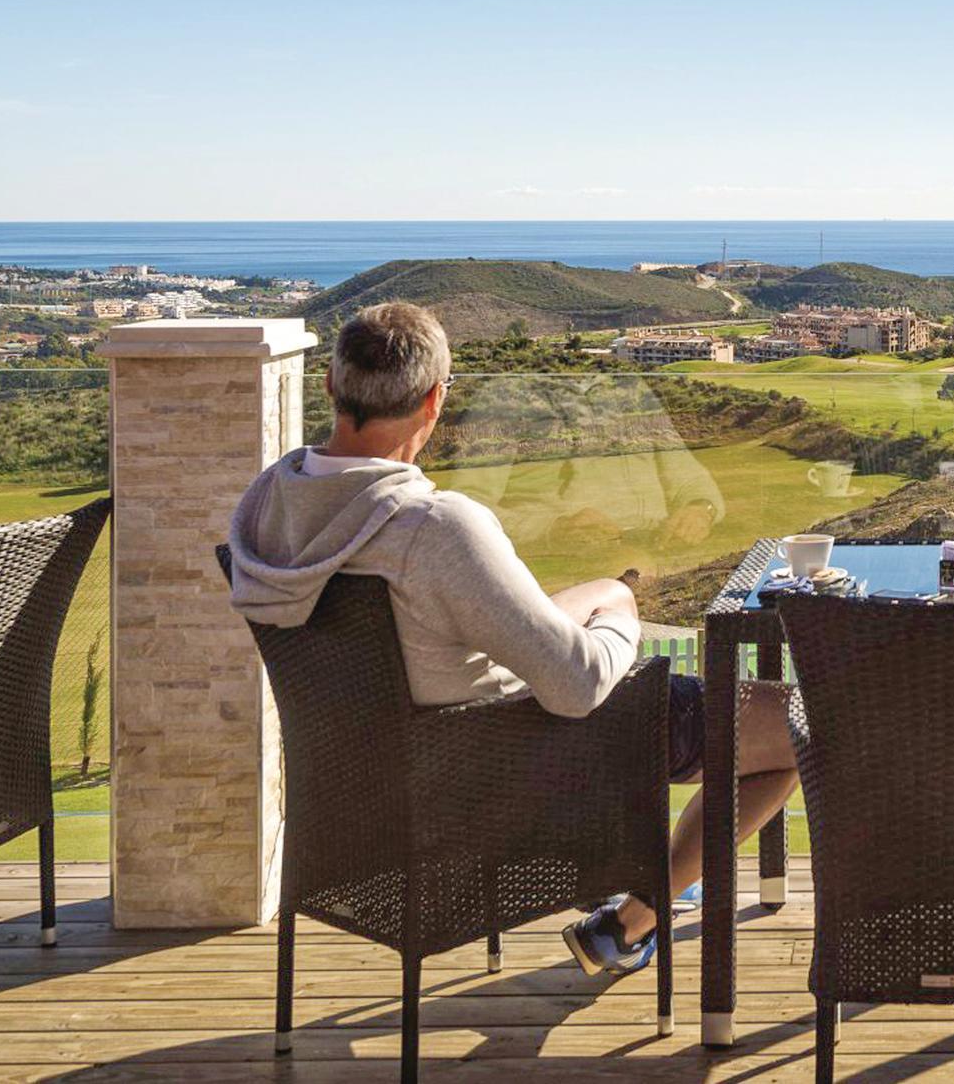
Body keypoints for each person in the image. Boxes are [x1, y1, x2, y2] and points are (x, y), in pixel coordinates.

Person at [226, 301, 797, 977]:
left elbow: (439, 628)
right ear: (435, 400)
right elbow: (578, 687)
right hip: (515, 763)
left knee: (592, 609)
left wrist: (586, 600)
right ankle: (632, 921)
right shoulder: (433, 527)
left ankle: (627, 902)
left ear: (329, 383)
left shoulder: (268, 506)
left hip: (389, 782)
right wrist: (622, 612)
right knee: (799, 725)